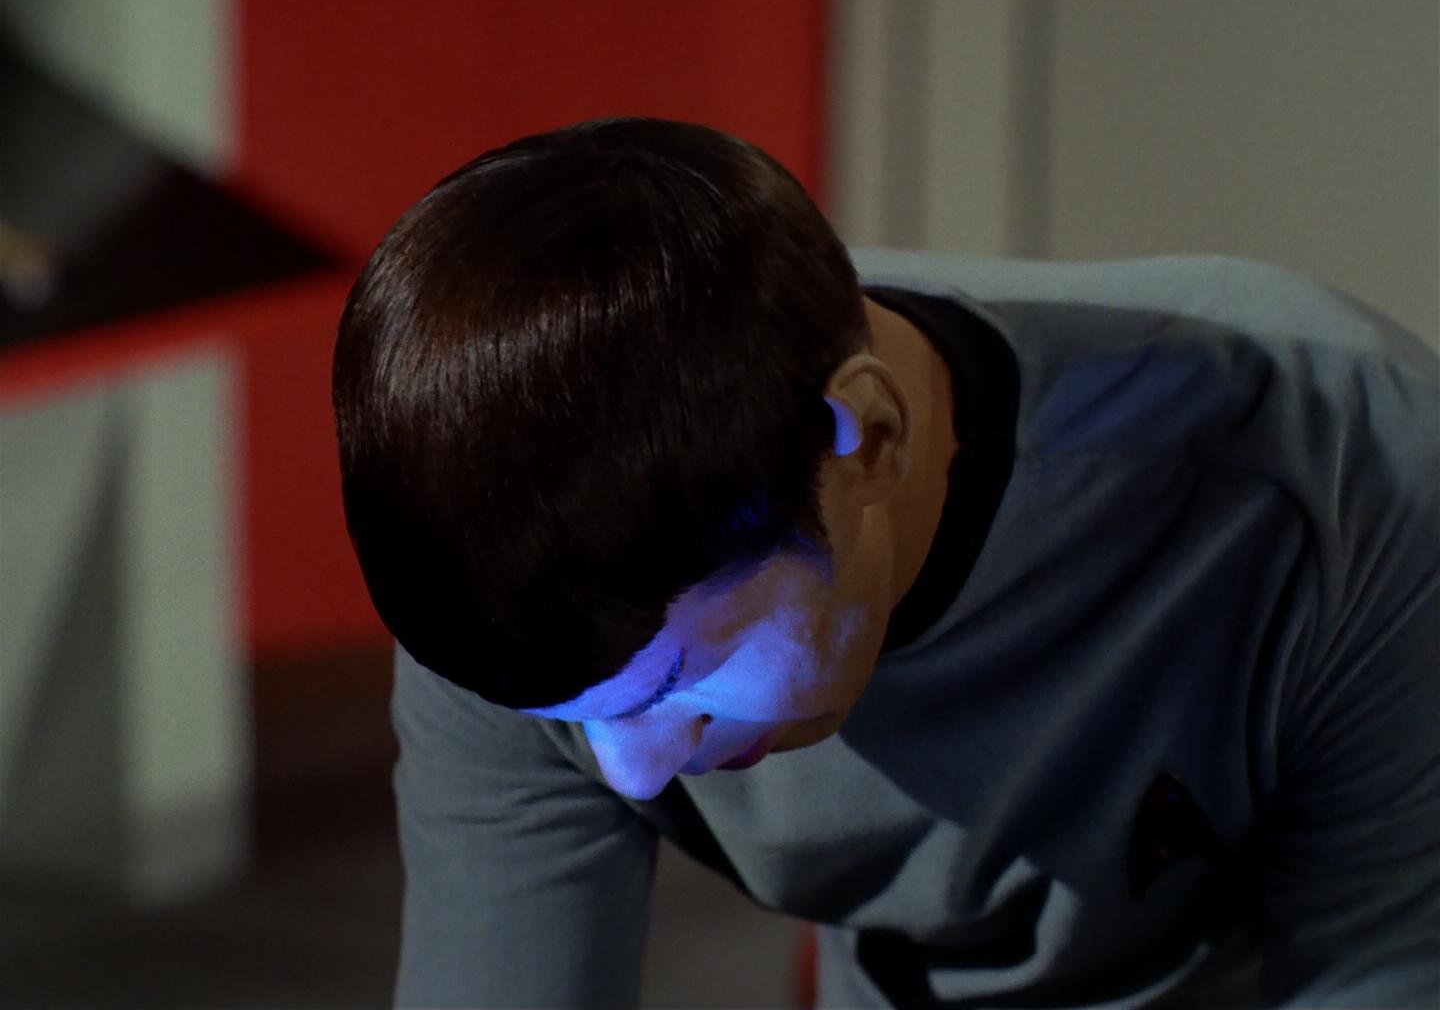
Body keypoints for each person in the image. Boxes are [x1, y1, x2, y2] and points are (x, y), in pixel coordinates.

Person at [331, 117, 1439, 1009]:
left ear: (864, 438)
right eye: (575, 720)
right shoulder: (501, 562)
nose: (631, 771)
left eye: (674, 682)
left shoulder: (1346, 474)